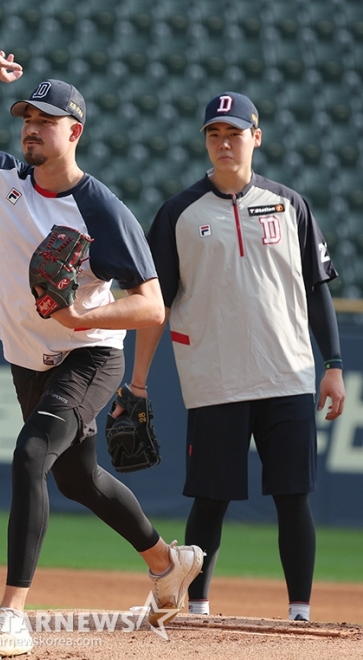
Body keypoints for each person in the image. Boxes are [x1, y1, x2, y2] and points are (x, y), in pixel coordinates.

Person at [0, 46, 204, 657]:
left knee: (31, 453)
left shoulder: (101, 211)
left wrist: (80, 314)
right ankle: (166, 563)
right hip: (27, 358)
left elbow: (151, 306)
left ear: (75, 131)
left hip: (89, 353)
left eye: (45, 120)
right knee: (79, 481)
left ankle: (11, 615)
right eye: (26, 119)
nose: (31, 129)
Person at [129, 92, 346, 623]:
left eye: (234, 132)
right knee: (211, 499)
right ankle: (199, 609)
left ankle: (299, 612)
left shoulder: (290, 204)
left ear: (256, 137)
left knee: (293, 497)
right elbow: (154, 304)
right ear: (205, 140)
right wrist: (136, 381)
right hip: (215, 380)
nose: (224, 143)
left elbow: (317, 290)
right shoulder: (179, 213)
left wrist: (334, 363)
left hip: (287, 375)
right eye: (214, 134)